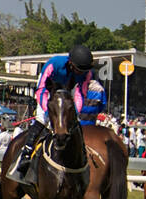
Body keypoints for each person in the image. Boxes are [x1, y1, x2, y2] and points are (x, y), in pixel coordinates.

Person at [10, 45, 93, 181]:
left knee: (74, 120)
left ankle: (81, 154)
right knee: (42, 118)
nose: (80, 73)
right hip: (48, 88)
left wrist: (74, 113)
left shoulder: (86, 73)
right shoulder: (53, 64)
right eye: (78, 70)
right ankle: (26, 152)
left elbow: (80, 94)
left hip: (69, 90)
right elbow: (41, 88)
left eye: (83, 71)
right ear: (71, 63)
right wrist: (48, 111)